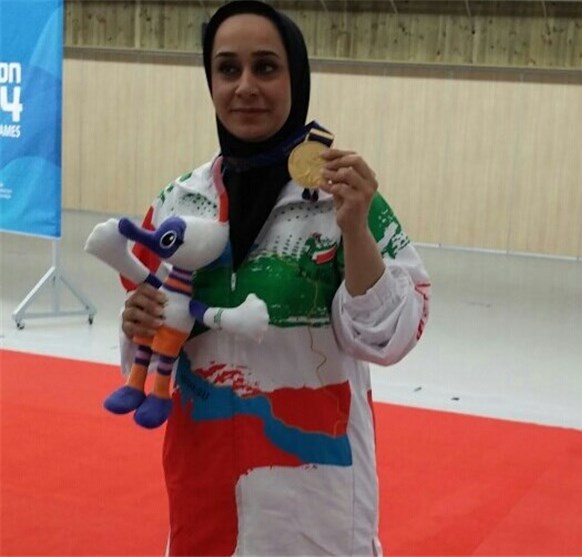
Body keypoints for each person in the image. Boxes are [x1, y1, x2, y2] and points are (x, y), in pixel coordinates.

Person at [117, 1, 431, 555]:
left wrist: (356, 230)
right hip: (204, 491)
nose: (245, 87)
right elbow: (151, 353)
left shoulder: (343, 197)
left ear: (296, 76)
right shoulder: (179, 202)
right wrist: (138, 324)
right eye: (227, 69)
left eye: (265, 67)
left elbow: (389, 339)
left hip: (313, 494)